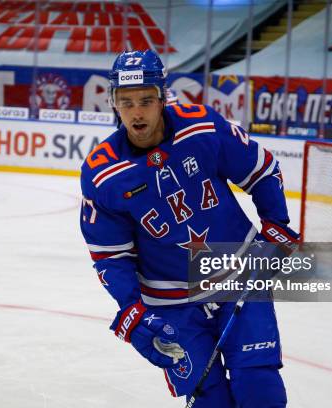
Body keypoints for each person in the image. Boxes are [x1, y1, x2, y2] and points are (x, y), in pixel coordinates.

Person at [79, 50, 298, 407]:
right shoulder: (103, 173)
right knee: (208, 400)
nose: (137, 112)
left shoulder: (201, 128)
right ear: (114, 104)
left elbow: (262, 171)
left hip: (240, 275)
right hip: (170, 304)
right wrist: (132, 308)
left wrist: (275, 225)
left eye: (147, 100)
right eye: (127, 101)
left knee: (259, 386)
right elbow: (110, 256)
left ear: (163, 97)